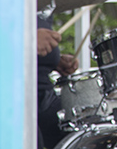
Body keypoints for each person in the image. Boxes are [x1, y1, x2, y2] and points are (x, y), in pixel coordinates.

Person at [37, 14, 79, 149]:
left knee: (83, 130)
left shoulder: (39, 0)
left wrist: (55, 61)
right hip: (9, 94)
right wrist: (26, 38)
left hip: (44, 95)